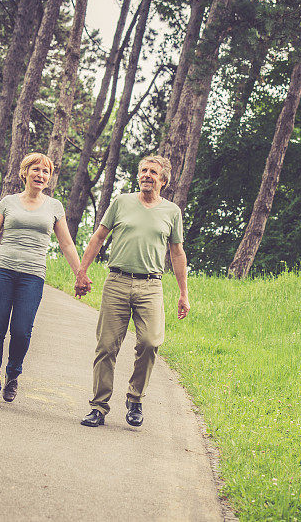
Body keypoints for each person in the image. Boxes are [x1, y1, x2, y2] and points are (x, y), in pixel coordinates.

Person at [75, 155, 190, 428]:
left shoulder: (172, 212)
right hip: (116, 282)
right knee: (106, 346)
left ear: (163, 180)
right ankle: (99, 407)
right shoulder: (121, 202)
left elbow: (177, 252)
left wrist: (184, 293)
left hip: (151, 286)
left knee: (150, 342)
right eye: (143, 171)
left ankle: (135, 398)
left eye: (153, 172)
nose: (147, 175)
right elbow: (99, 237)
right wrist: (82, 271)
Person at [0, 153, 81, 408]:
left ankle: (13, 374)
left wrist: (80, 274)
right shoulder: (8, 202)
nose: (41, 175)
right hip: (2, 270)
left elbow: (66, 243)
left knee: (21, 331)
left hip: (32, 275)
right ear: (25, 172)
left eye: (46, 172)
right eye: (36, 170)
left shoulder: (54, 206)